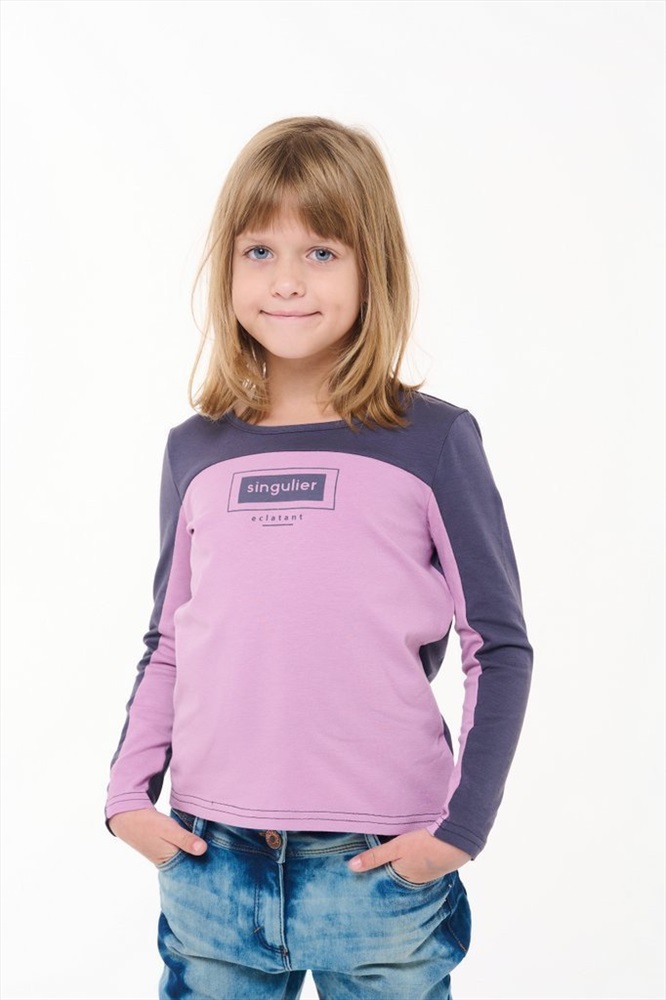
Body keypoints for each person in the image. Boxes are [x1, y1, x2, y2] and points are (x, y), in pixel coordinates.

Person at [105, 116, 533, 1000]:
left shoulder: (432, 440)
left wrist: (461, 831)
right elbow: (169, 640)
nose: (288, 280)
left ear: (375, 268)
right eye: (260, 251)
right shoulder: (195, 450)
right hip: (210, 856)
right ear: (227, 267)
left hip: (380, 865)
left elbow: (497, 645)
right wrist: (126, 799)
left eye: (323, 252)